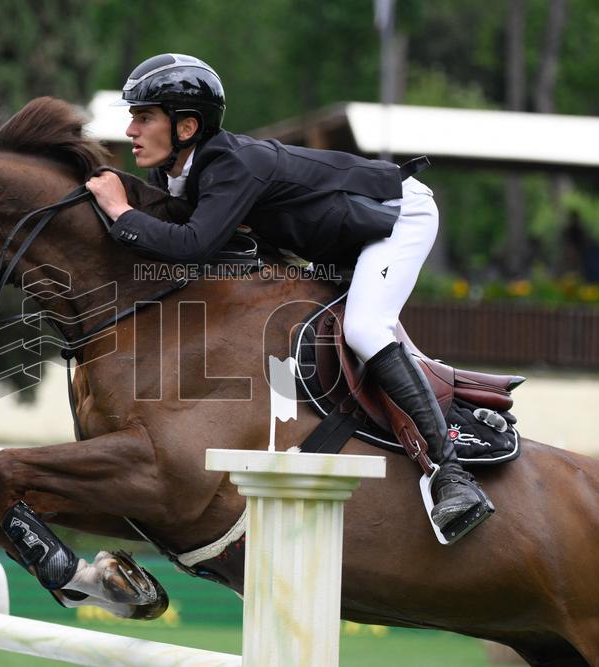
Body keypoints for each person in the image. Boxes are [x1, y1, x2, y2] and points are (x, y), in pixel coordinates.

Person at [86, 53, 492, 541]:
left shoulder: (231, 165)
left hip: (397, 218)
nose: (130, 129)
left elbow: (192, 247)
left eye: (144, 117)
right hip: (340, 239)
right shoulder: (176, 173)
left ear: (187, 126)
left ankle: (451, 474)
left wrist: (119, 211)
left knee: (365, 328)